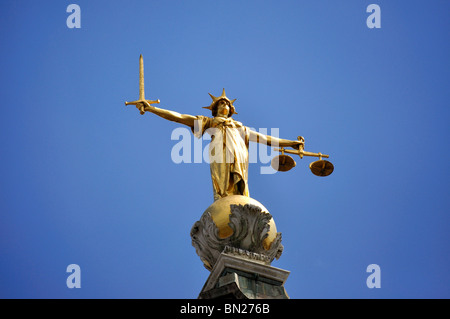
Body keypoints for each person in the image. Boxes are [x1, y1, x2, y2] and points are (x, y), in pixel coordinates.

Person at [136, 89, 301, 201]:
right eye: (221, 104)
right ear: (214, 109)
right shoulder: (209, 122)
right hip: (219, 152)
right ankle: (223, 200)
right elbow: (179, 117)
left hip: (239, 154)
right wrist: (152, 109)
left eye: (227, 104)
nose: (225, 106)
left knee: (240, 185)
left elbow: (265, 138)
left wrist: (291, 143)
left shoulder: (240, 127)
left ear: (231, 109)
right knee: (222, 184)